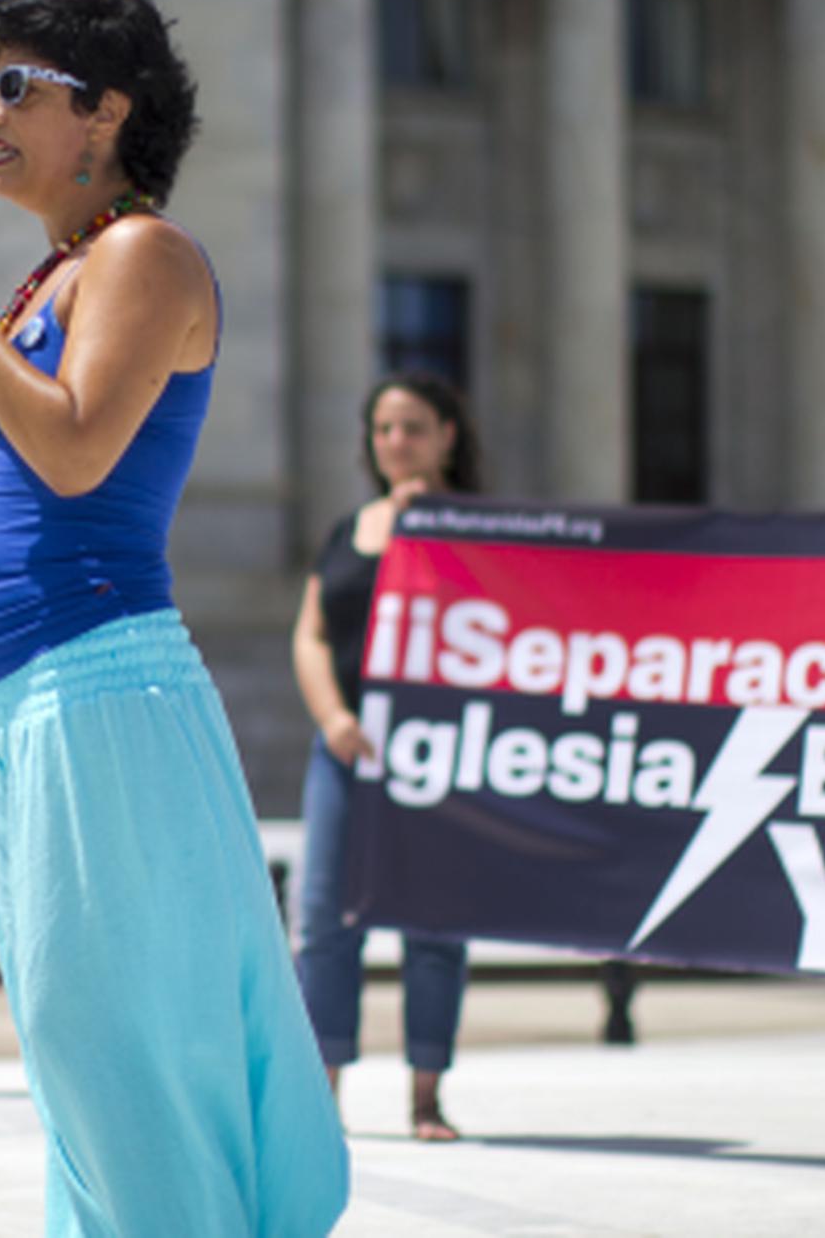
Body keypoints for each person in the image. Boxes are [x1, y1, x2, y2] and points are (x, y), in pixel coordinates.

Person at [0, 0, 348, 1234]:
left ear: (105, 112)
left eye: (17, 85)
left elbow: (72, 457)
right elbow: (15, 484)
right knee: (74, 1038)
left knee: (109, 1028)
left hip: (102, 681)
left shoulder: (143, 255)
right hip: (35, 691)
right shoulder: (62, 273)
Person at [290, 372, 482, 1142]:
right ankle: (322, 1097)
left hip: (439, 757)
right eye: (383, 430)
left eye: (412, 428)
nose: (395, 443)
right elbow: (310, 633)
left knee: (435, 926)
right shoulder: (347, 529)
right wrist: (333, 717)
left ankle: (426, 1098)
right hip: (346, 749)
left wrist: (427, 528)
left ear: (446, 437)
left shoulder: (475, 527)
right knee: (326, 919)